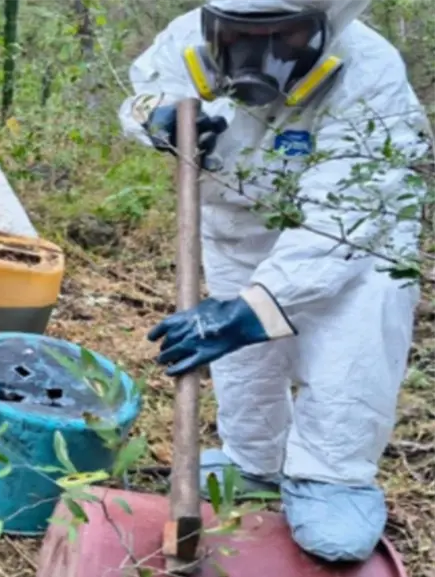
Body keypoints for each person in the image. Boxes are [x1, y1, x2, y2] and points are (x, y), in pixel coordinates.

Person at [117, 0, 431, 564]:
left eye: (282, 36)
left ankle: (331, 477)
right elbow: (145, 90)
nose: (257, 54)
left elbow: (343, 219)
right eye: (240, 34)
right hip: (239, 223)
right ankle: (256, 461)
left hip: (357, 238)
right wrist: (157, 119)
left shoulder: (369, 74)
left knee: (347, 352)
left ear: (324, 27)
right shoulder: (189, 38)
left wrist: (254, 309)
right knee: (244, 364)